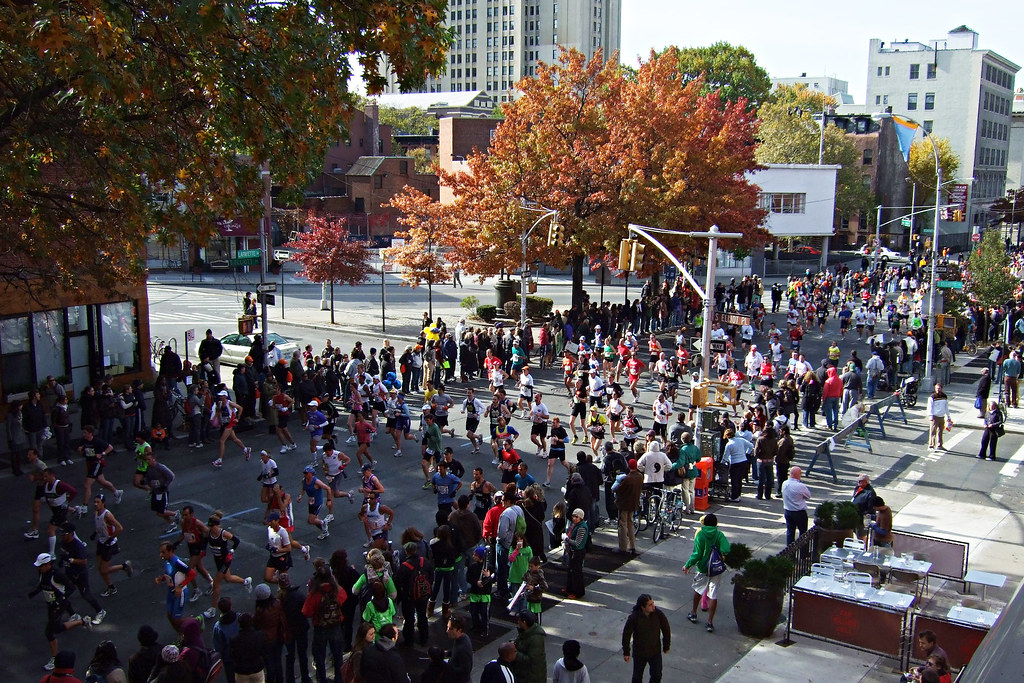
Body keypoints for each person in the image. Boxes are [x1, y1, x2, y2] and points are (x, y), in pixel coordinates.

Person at [29, 552, 94, 672]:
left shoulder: (57, 575)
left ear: (48, 565)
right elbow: (42, 584)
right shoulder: (41, 573)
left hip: (59, 605)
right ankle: (82, 621)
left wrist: (61, 599)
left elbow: (71, 588)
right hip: (51, 604)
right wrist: (35, 592)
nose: (39, 568)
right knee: (57, 628)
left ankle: (55, 658)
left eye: (41, 565)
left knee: (49, 632)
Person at [683, 513, 731, 633]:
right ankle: (710, 622)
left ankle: (694, 613)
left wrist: (688, 565)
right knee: (713, 594)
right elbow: (726, 549)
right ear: (715, 523)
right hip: (715, 569)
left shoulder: (700, 534)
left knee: (698, 590)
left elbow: (697, 554)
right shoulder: (719, 535)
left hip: (703, 568)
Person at [302, 562, 347, 683]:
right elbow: (344, 598)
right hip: (336, 625)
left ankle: (322, 679)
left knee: (319, 656)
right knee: (338, 654)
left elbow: (307, 612)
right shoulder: (337, 590)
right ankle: (339, 678)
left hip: (320, 627)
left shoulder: (314, 594)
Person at [621, 593, 671, 683]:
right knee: (637, 677)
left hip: (655, 651)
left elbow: (666, 629)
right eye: (650, 605)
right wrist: (626, 652)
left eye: (653, 603)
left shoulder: (658, 614)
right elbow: (626, 634)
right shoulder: (634, 618)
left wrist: (666, 645)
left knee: (657, 675)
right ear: (643, 607)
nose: (653, 606)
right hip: (640, 653)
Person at [613, 459, 643, 556]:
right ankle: (632, 545)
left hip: (624, 503)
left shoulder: (627, 479)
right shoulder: (640, 476)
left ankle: (623, 547)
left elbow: (618, 489)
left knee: (623, 525)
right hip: (634, 503)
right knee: (630, 524)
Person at [780, 467, 812, 546]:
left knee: (790, 532)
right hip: (799, 512)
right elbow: (808, 496)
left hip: (788, 511)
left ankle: (789, 553)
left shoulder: (784, 483)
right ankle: (803, 552)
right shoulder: (800, 486)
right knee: (803, 533)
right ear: (798, 475)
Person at [512, 612, 546, 683]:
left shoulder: (536, 639)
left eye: (519, 620)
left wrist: (514, 653)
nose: (518, 622)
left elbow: (531, 660)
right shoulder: (526, 631)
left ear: (524, 622)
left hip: (531, 678)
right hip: (524, 675)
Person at [563, 508, 589, 599]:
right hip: (573, 551)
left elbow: (577, 543)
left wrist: (567, 540)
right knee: (571, 571)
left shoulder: (581, 527)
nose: (574, 518)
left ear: (581, 517)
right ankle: (569, 589)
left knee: (576, 573)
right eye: (573, 516)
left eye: (576, 516)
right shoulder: (577, 525)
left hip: (577, 553)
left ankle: (577, 592)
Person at [446, 615, 474, 683]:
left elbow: (466, 670)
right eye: (447, 627)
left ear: (459, 630)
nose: (447, 631)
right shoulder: (461, 638)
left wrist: (448, 665)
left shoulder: (462, 648)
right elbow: (455, 652)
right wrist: (446, 653)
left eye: (450, 629)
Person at [926, 383, 950, 451]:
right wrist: (930, 416)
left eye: (939, 388)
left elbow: (946, 407)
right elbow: (929, 407)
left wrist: (948, 416)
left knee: (940, 431)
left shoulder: (944, 396)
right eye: (936, 388)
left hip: (942, 416)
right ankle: (931, 446)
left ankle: (939, 445)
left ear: (941, 389)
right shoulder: (932, 397)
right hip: (934, 416)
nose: (938, 390)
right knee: (933, 432)